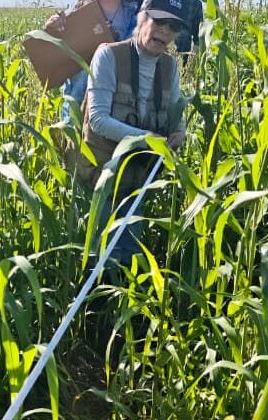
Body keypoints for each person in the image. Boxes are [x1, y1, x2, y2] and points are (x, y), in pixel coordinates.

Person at [78, 0, 189, 265]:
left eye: (173, 26)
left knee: (130, 252)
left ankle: (125, 301)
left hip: (139, 176)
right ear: (141, 18)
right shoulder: (108, 56)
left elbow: (177, 112)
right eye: (159, 22)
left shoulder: (169, 67)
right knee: (101, 254)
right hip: (102, 176)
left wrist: (179, 133)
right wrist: (146, 139)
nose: (165, 31)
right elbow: (98, 120)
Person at [44, 0, 140, 121]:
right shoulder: (73, 14)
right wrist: (51, 32)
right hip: (78, 114)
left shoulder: (140, 15)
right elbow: (53, 67)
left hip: (122, 118)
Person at [174, 0, 202, 65]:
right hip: (165, 44)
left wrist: (193, 59)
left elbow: (198, 33)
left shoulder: (196, 3)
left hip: (184, 47)